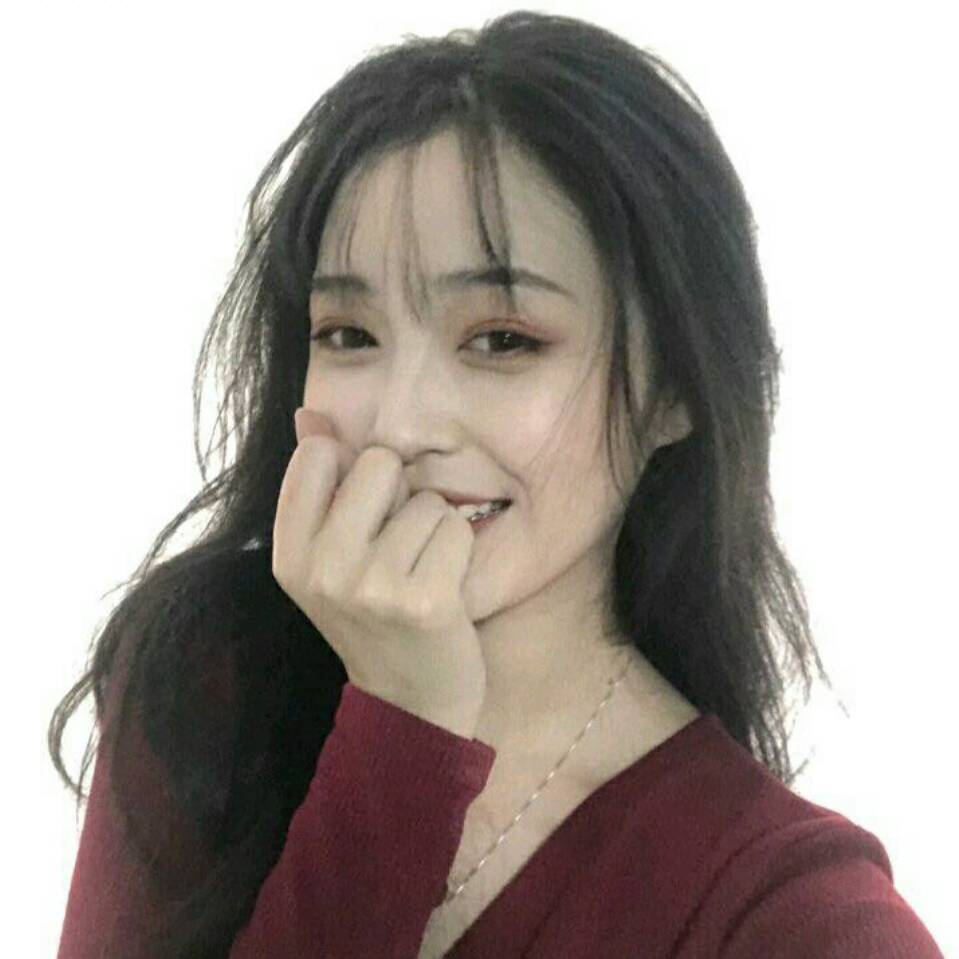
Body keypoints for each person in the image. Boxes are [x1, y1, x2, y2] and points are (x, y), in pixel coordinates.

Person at [51, 10, 944, 958]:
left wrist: (404, 723)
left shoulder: (791, 915)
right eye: (349, 335)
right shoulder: (204, 685)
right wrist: (400, 724)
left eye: (502, 340)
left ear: (674, 390)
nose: (400, 426)